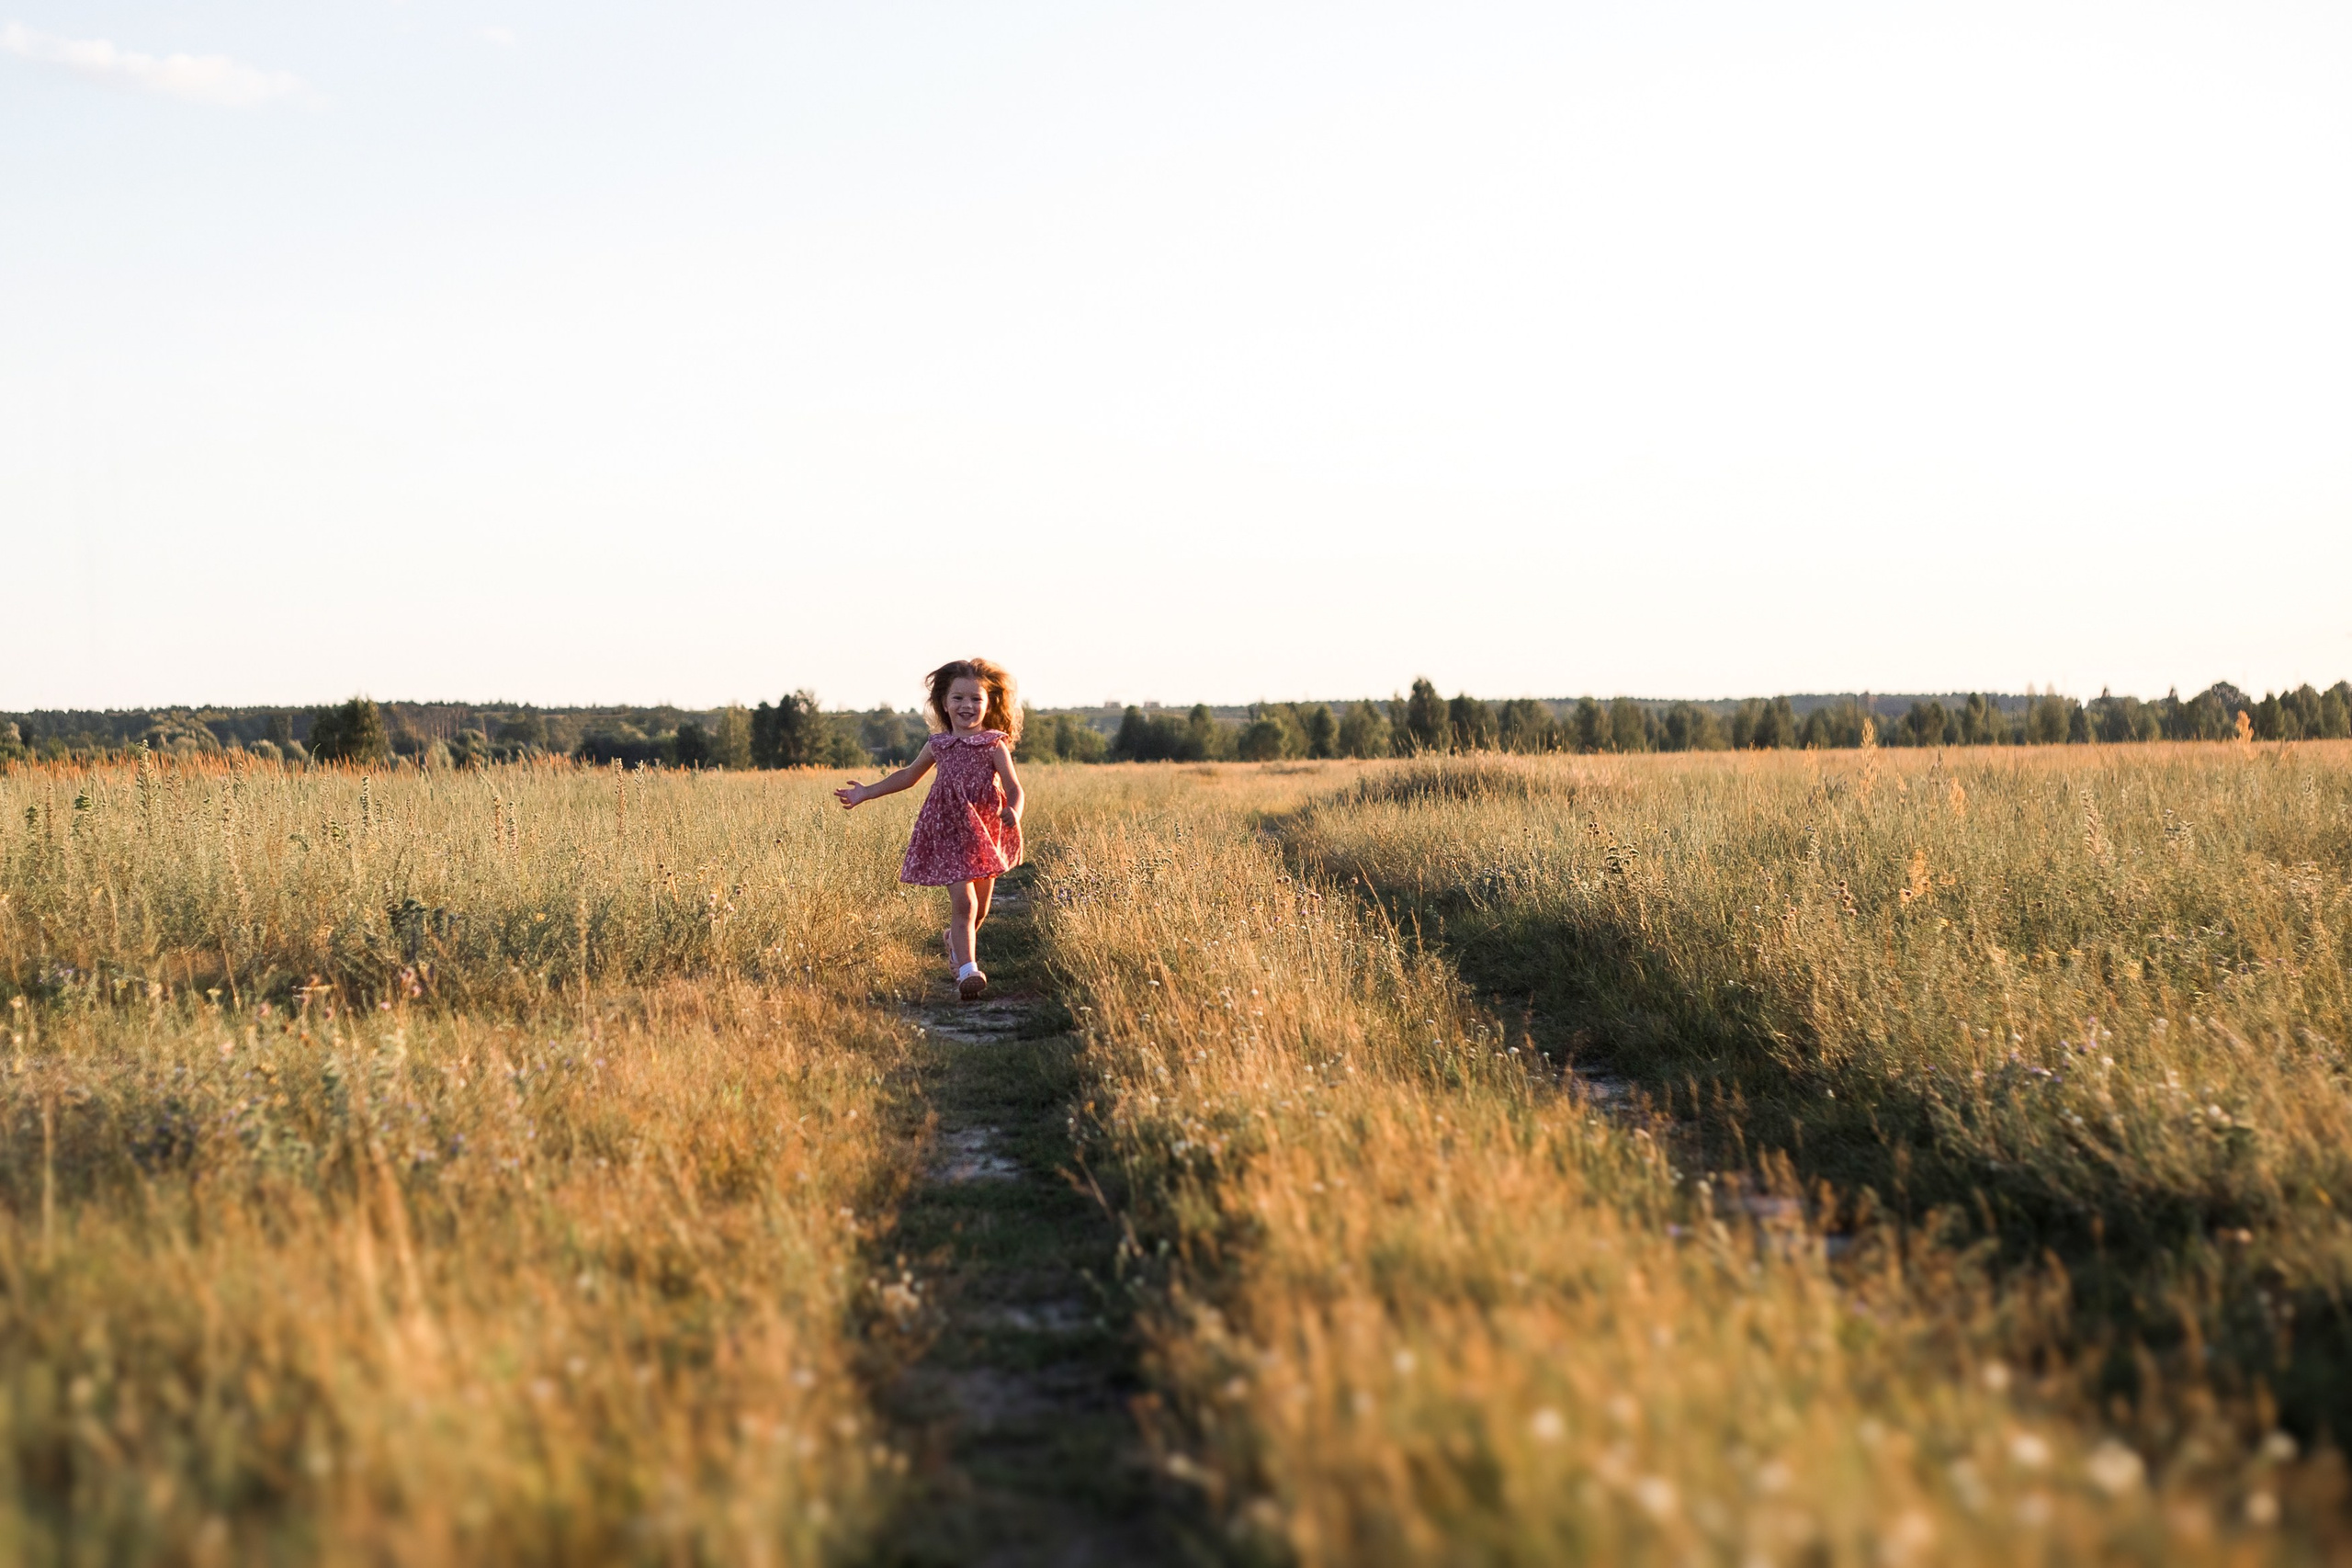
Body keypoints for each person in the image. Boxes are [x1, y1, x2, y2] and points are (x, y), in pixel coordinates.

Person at [835, 658, 1025, 1000]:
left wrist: (1014, 809)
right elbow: (907, 777)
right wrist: (866, 792)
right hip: (948, 831)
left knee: (980, 909)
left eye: (975, 699)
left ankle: (955, 943)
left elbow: (1014, 788)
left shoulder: (994, 744)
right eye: (958, 698)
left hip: (984, 832)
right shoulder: (938, 745)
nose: (967, 706)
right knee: (964, 905)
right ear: (944, 703)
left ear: (989, 703)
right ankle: (968, 971)